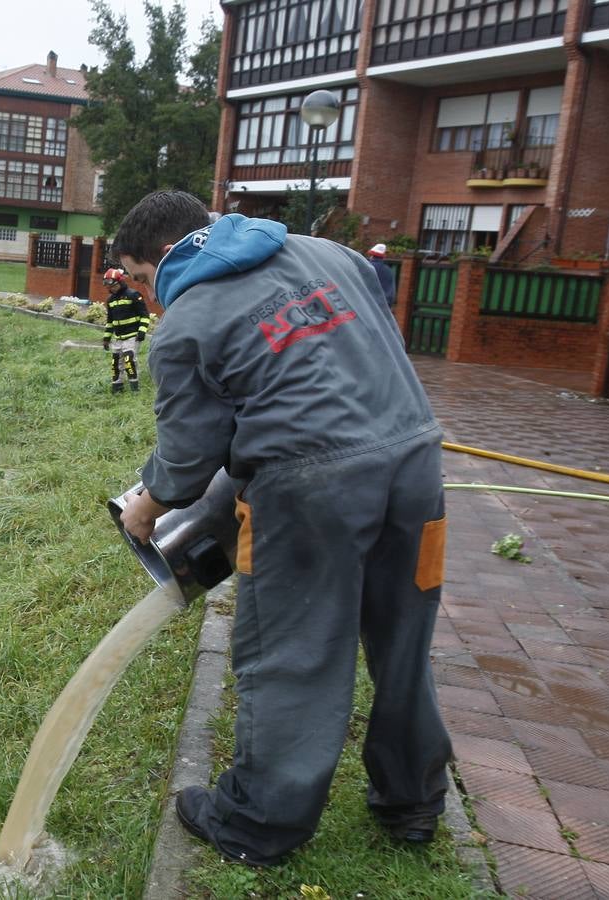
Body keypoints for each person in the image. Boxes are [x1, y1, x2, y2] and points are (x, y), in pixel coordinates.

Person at [114, 190, 452, 867]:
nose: (150, 302)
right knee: (402, 640)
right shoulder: (332, 255)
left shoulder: (185, 326)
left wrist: (144, 509)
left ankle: (256, 823)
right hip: (416, 465)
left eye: (143, 283)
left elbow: (185, 462)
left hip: (308, 496)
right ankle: (412, 800)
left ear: (162, 260)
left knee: (294, 652)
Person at [101, 267, 150, 393]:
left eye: (113, 286)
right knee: (115, 363)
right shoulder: (110, 300)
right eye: (108, 287)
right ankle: (117, 388)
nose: (110, 289)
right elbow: (110, 322)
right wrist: (106, 339)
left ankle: (135, 388)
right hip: (118, 338)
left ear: (120, 282)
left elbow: (145, 315)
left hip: (132, 336)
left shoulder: (133, 295)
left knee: (129, 360)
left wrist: (142, 332)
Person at [367, 243, 396, 308]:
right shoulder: (389, 271)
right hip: (383, 306)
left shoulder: (366, 267)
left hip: (368, 304)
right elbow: (391, 293)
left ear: (371, 256)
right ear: (383, 257)